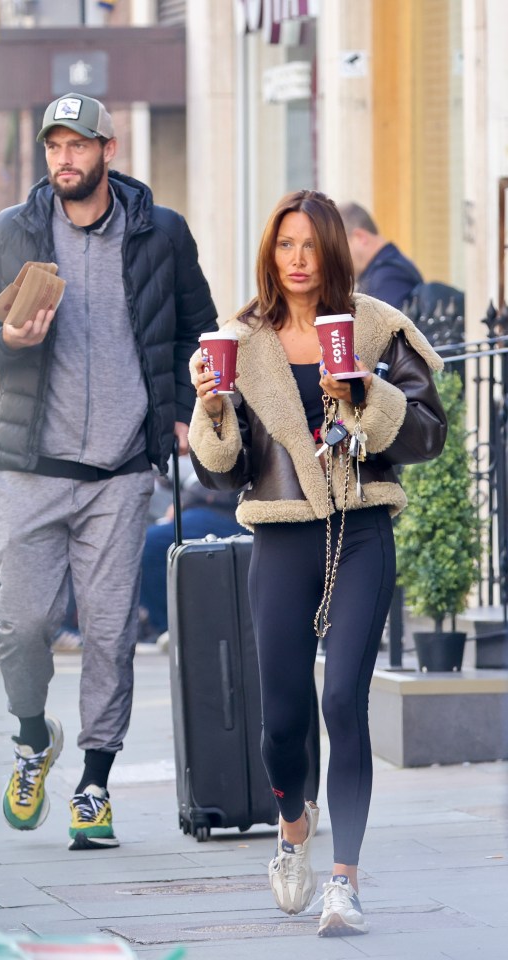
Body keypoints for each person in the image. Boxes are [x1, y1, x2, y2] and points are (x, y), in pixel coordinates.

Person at [0, 93, 217, 850]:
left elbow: (198, 331)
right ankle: (35, 739)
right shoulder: (9, 233)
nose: (63, 159)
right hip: (30, 466)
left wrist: (184, 405)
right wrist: (4, 337)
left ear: (108, 146)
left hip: (122, 470)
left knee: (108, 634)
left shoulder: (160, 233)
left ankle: (95, 784)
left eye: (77, 145)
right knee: (22, 625)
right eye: (52, 147)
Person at [188, 190, 446, 937]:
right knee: (284, 722)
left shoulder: (376, 328)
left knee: (342, 706)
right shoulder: (238, 339)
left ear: (333, 249)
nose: (296, 260)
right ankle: (293, 825)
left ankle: (346, 881)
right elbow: (219, 470)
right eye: (284, 245)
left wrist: (370, 395)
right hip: (281, 537)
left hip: (361, 532)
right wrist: (211, 410)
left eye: (309, 245)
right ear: (271, 253)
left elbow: (428, 433)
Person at [138, 467, 244, 644]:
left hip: (223, 511)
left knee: (148, 544)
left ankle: (171, 627)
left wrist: (185, 501)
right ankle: (169, 626)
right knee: (145, 542)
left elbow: (221, 480)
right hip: (203, 507)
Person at [337, 202, 423, 311]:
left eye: (338, 249)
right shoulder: (387, 271)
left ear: (360, 237)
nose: (336, 258)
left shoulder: (388, 277)